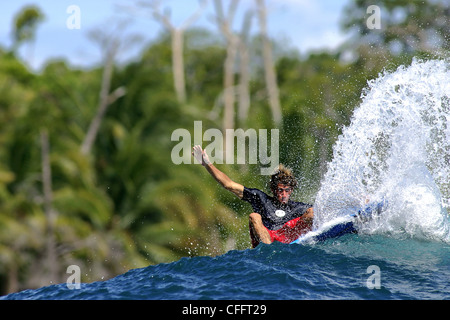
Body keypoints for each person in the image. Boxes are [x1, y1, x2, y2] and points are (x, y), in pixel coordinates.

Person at [192, 145, 314, 248]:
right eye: (280, 190)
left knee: (312, 212)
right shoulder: (261, 198)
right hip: (267, 237)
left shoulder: (295, 207)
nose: (284, 194)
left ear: (291, 190)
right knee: (254, 216)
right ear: (273, 189)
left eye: (287, 191)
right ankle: (269, 251)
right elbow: (229, 184)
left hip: (287, 238)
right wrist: (207, 164)